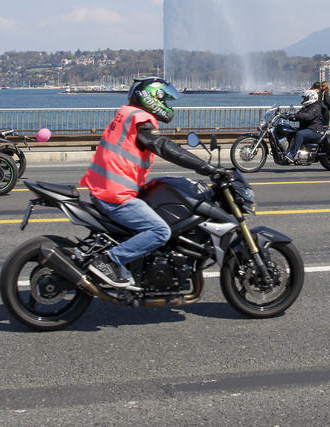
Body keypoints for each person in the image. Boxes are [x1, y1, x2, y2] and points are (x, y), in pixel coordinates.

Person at [81, 77, 231, 289]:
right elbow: (164, 146)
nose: (168, 106)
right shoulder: (140, 120)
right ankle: (110, 260)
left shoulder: (127, 115)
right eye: (165, 100)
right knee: (160, 231)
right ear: (152, 97)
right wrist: (205, 168)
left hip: (108, 189)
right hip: (114, 196)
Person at [285, 88, 325, 163]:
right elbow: (299, 115)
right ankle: (287, 152)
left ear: (311, 98)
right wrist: (289, 116)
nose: (304, 100)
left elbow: (308, 116)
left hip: (315, 130)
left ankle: (293, 154)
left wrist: (297, 116)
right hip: (307, 129)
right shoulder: (307, 107)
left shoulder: (316, 107)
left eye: (305, 98)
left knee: (300, 134)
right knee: (291, 132)